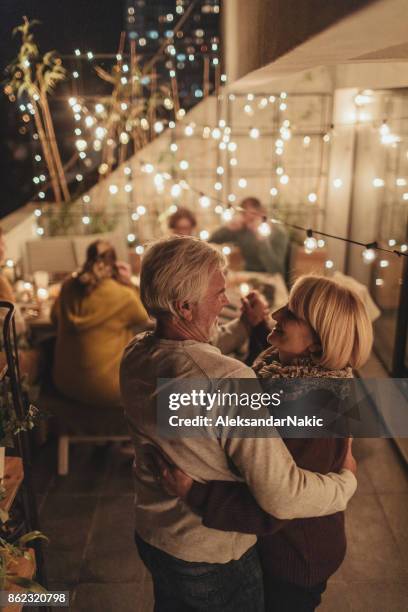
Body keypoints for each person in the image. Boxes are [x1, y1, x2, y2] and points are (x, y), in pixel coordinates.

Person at [120, 236, 358, 612]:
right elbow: (283, 495)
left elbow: (196, 373)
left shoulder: (136, 351)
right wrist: (345, 484)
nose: (226, 301)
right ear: (183, 306)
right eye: (218, 292)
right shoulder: (229, 380)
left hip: (154, 533)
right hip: (208, 551)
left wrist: (248, 330)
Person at [52, 240, 148, 408]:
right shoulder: (124, 295)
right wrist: (130, 284)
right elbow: (144, 317)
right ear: (114, 264)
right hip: (108, 389)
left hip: (65, 384)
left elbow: (54, 318)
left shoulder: (68, 286)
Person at [209, 197, 288, 276]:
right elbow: (211, 241)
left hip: (271, 276)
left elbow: (276, 270)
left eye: (252, 219)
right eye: (245, 218)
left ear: (262, 213)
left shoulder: (278, 233)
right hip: (248, 275)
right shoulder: (243, 229)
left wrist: (262, 241)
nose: (249, 224)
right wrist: (228, 228)